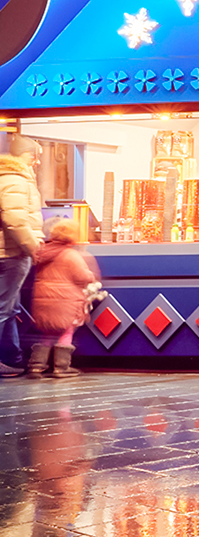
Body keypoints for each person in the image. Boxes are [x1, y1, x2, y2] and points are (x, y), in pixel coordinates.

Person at [28, 220, 98, 379]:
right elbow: (83, 276)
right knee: (66, 330)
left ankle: (36, 366)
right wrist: (92, 276)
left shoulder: (42, 252)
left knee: (47, 332)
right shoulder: (70, 255)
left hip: (43, 300)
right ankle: (61, 367)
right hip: (65, 301)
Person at [0, 137, 43, 377]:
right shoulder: (15, 179)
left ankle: (12, 360)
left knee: (10, 308)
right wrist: (32, 246)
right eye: (35, 156)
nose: (37, 162)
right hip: (11, 253)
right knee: (3, 309)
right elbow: (15, 220)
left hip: (8, 252)